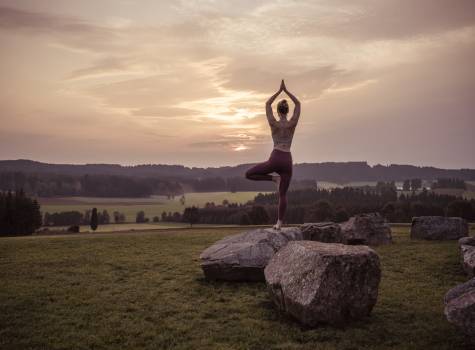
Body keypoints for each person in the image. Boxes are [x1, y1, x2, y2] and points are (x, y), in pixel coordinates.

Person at [245, 79, 301, 230]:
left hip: (275, 158)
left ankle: (273, 179)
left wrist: (279, 91)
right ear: (287, 111)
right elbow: (298, 104)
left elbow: (267, 104)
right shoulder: (292, 124)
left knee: (249, 174)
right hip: (287, 159)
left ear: (278, 111)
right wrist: (287, 91)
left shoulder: (274, 124)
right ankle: (279, 223)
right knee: (283, 195)